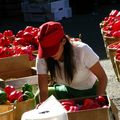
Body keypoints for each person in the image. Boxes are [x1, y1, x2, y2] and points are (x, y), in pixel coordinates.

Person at [35, 21, 108, 103]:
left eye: (53, 49)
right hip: (67, 91)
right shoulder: (44, 56)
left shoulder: (82, 50)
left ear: (63, 41)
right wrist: (43, 107)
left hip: (91, 91)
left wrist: (98, 101)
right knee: (38, 96)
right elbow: (43, 90)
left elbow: (102, 77)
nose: (50, 54)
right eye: (47, 50)